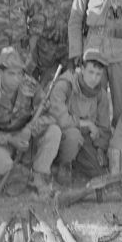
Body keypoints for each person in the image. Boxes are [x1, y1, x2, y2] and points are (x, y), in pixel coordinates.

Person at [0, 47, 62, 199]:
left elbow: (51, 115)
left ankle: (39, 175)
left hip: (26, 140)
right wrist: (10, 140)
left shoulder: (30, 85)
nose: (16, 79)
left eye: (19, 73)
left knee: (54, 132)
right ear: (0, 72)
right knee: (2, 164)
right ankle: (14, 174)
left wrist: (30, 130)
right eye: (11, 74)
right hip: (1, 143)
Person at [49, 49, 111, 186]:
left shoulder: (101, 95)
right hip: (63, 134)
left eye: (98, 74)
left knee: (98, 172)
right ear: (81, 69)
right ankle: (62, 165)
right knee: (73, 136)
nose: (94, 78)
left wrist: (100, 148)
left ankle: (76, 163)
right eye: (91, 72)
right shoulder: (65, 85)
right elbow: (61, 120)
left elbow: (104, 127)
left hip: (85, 139)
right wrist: (86, 123)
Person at [30, 0, 75, 86]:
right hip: (46, 59)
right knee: (46, 97)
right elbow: (32, 32)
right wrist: (32, 58)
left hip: (69, 56)